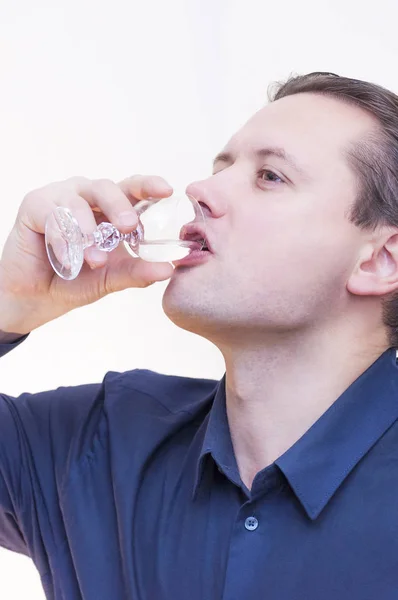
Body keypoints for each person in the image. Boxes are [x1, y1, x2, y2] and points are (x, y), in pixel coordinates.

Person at [1, 71, 398, 600]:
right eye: (222, 166)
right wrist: (8, 305)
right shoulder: (97, 444)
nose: (200, 190)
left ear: (379, 261)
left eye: (270, 176)